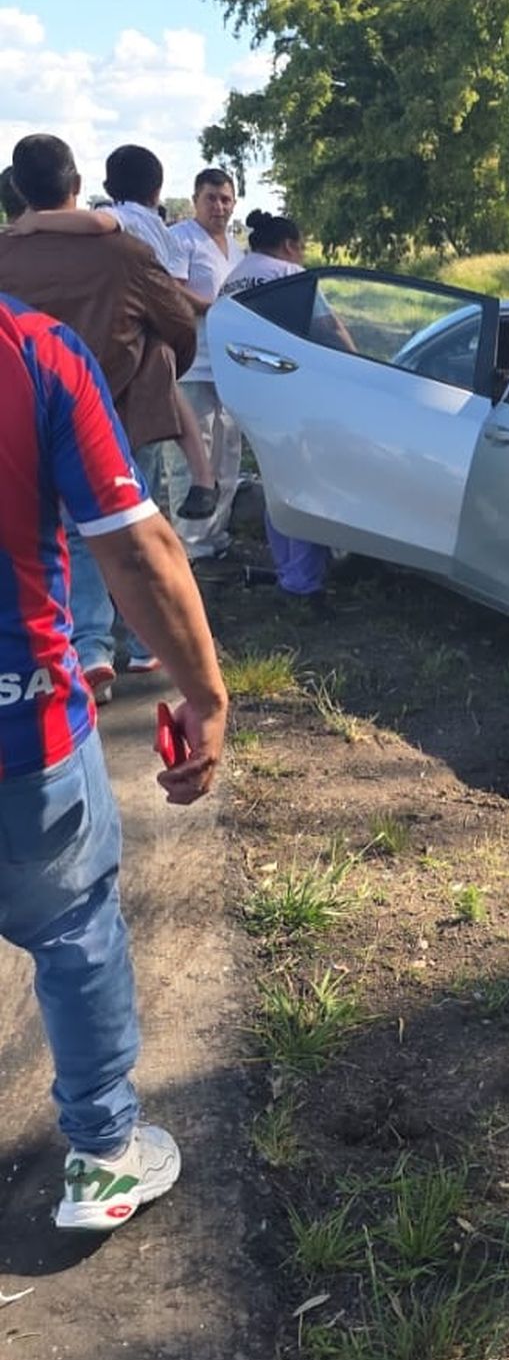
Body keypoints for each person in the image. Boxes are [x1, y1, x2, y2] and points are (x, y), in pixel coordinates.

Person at [0, 291, 228, 1230]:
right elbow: (136, 548)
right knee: (75, 928)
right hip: (24, 728)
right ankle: (101, 1156)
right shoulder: (35, 353)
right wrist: (205, 695)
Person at [0, 136, 197, 704]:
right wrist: (160, 370)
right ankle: (143, 641)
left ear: (18, 188)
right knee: (134, 530)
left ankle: (84, 646)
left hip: (24, 419)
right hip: (120, 410)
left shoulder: (6, 255)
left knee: (58, 532)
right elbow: (179, 320)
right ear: (78, 184)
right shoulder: (123, 254)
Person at [222, 209, 338, 608]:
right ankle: (304, 580)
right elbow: (329, 327)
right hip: (294, 391)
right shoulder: (289, 275)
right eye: (301, 247)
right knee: (307, 480)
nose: (302, 255)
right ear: (289, 245)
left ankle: (289, 567)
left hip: (249, 390)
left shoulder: (234, 277)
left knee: (276, 480)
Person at [165, 169, 244, 560]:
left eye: (226, 199)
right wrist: (214, 310)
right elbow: (172, 289)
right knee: (192, 457)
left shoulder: (235, 247)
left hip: (230, 366)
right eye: (211, 198)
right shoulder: (182, 239)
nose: (219, 206)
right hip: (192, 364)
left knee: (227, 453)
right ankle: (189, 544)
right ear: (196, 199)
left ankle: (216, 535)